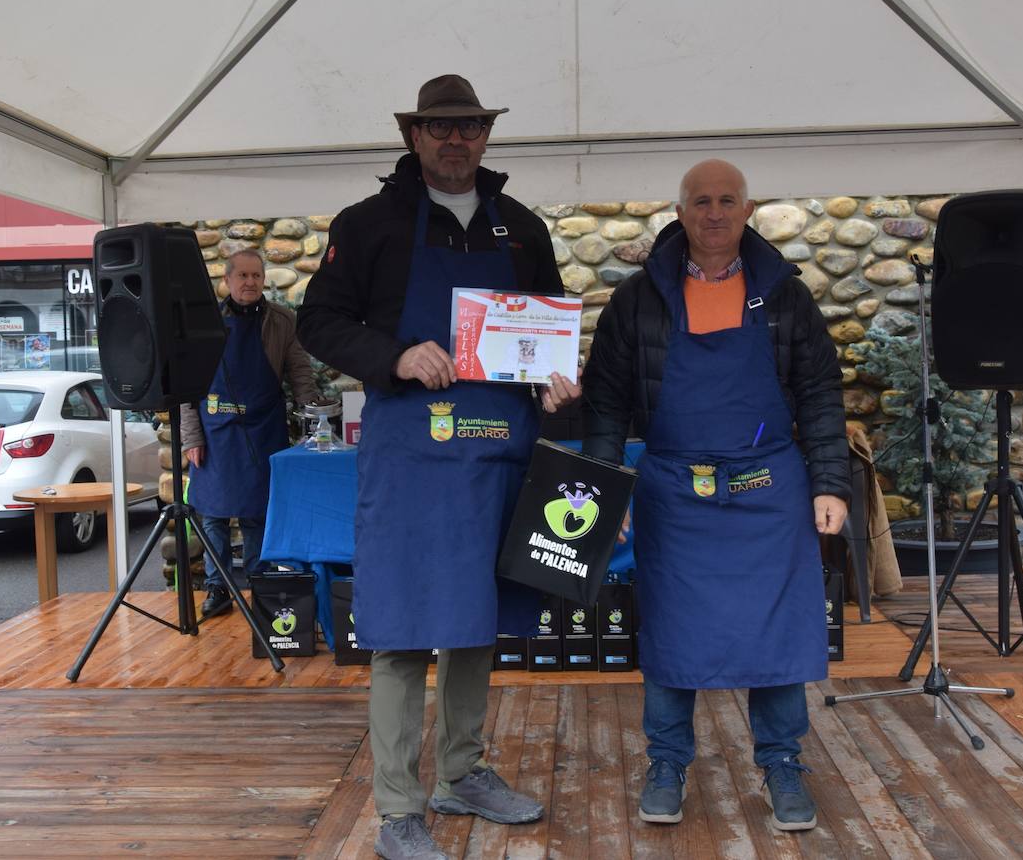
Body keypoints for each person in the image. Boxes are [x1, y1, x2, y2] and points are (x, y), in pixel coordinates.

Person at [297, 74, 580, 860]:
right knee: (399, 627)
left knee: (476, 619)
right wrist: (393, 355)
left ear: (485, 136)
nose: (457, 140)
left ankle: (464, 772)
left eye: (470, 127)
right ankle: (398, 807)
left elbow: (547, 331)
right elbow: (319, 320)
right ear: (414, 134)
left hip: (497, 452)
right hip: (411, 457)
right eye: (441, 127)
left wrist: (557, 384)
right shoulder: (367, 226)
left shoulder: (521, 230)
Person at [581, 160, 850, 832]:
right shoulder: (637, 300)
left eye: (727, 200)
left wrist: (831, 484)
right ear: (680, 213)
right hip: (673, 490)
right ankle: (667, 763)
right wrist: (605, 490)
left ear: (748, 209)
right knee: (672, 631)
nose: (714, 212)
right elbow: (606, 405)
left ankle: (783, 764)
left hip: (769, 489)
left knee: (778, 631)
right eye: (700, 201)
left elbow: (820, 394)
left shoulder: (786, 296)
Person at [179, 249, 320, 617]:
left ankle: (261, 588)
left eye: (256, 276)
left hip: (262, 430)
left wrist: (314, 418)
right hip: (214, 434)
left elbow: (300, 373)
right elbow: (185, 387)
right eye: (242, 276)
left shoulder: (282, 321)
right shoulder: (204, 323)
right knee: (212, 516)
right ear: (227, 280)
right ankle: (218, 588)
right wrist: (192, 437)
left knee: (257, 515)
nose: (250, 282)